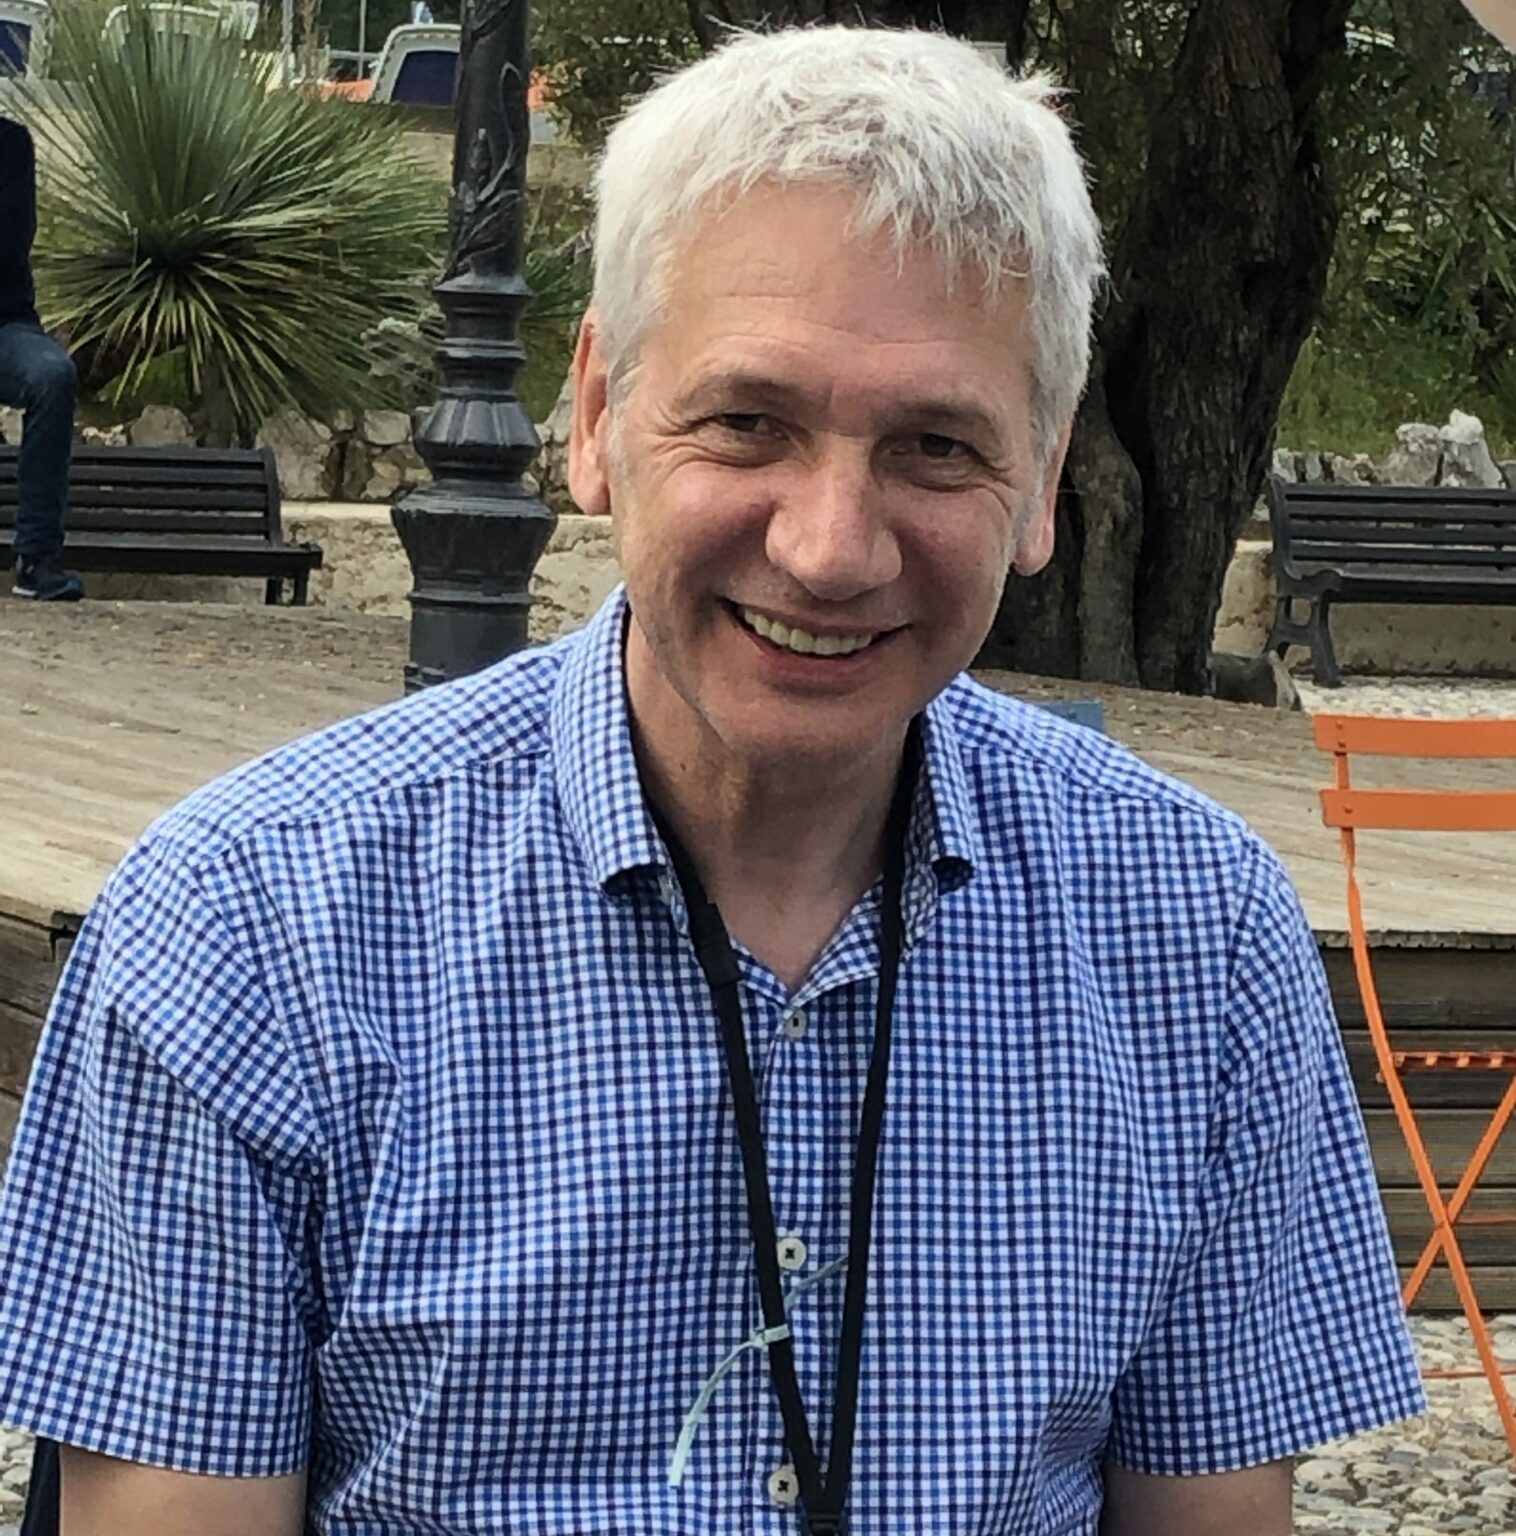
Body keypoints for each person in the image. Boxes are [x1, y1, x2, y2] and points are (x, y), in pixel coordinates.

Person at [0, 27, 1423, 1536]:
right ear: (597, 416)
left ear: (1042, 483)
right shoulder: (247, 926)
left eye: (936, 447)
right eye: (749, 422)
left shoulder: (1194, 931)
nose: (830, 548)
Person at [0, 117, 82, 602]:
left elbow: (10, 243)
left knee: (53, 375)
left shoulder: (10, 144)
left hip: (5, 324)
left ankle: (36, 559)